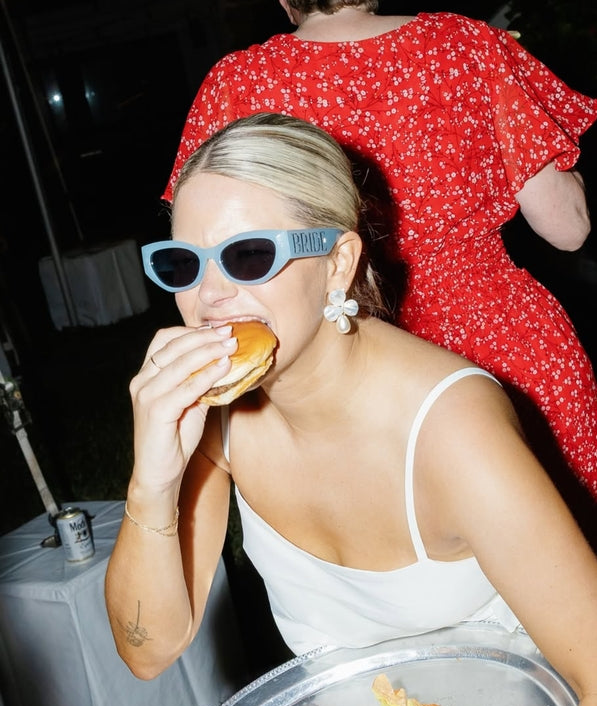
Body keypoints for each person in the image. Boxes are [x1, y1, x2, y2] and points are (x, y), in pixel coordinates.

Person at [106, 112, 597, 706]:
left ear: (337, 262)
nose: (209, 298)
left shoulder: (450, 433)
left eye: (245, 256)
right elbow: (149, 648)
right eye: (183, 263)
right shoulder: (222, 420)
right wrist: (151, 480)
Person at [162, 0, 597, 520]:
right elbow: (568, 229)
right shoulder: (467, 45)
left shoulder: (237, 82)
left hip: (345, 366)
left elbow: (204, 242)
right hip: (508, 351)